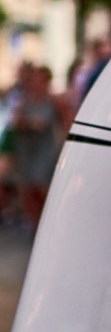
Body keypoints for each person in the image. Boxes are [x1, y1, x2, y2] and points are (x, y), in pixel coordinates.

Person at [11, 65, 60, 228]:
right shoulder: (25, 101)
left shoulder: (54, 100)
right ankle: (38, 224)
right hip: (28, 148)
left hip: (45, 148)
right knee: (29, 188)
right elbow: (15, 122)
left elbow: (65, 120)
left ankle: (47, 222)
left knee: (41, 185)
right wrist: (30, 124)